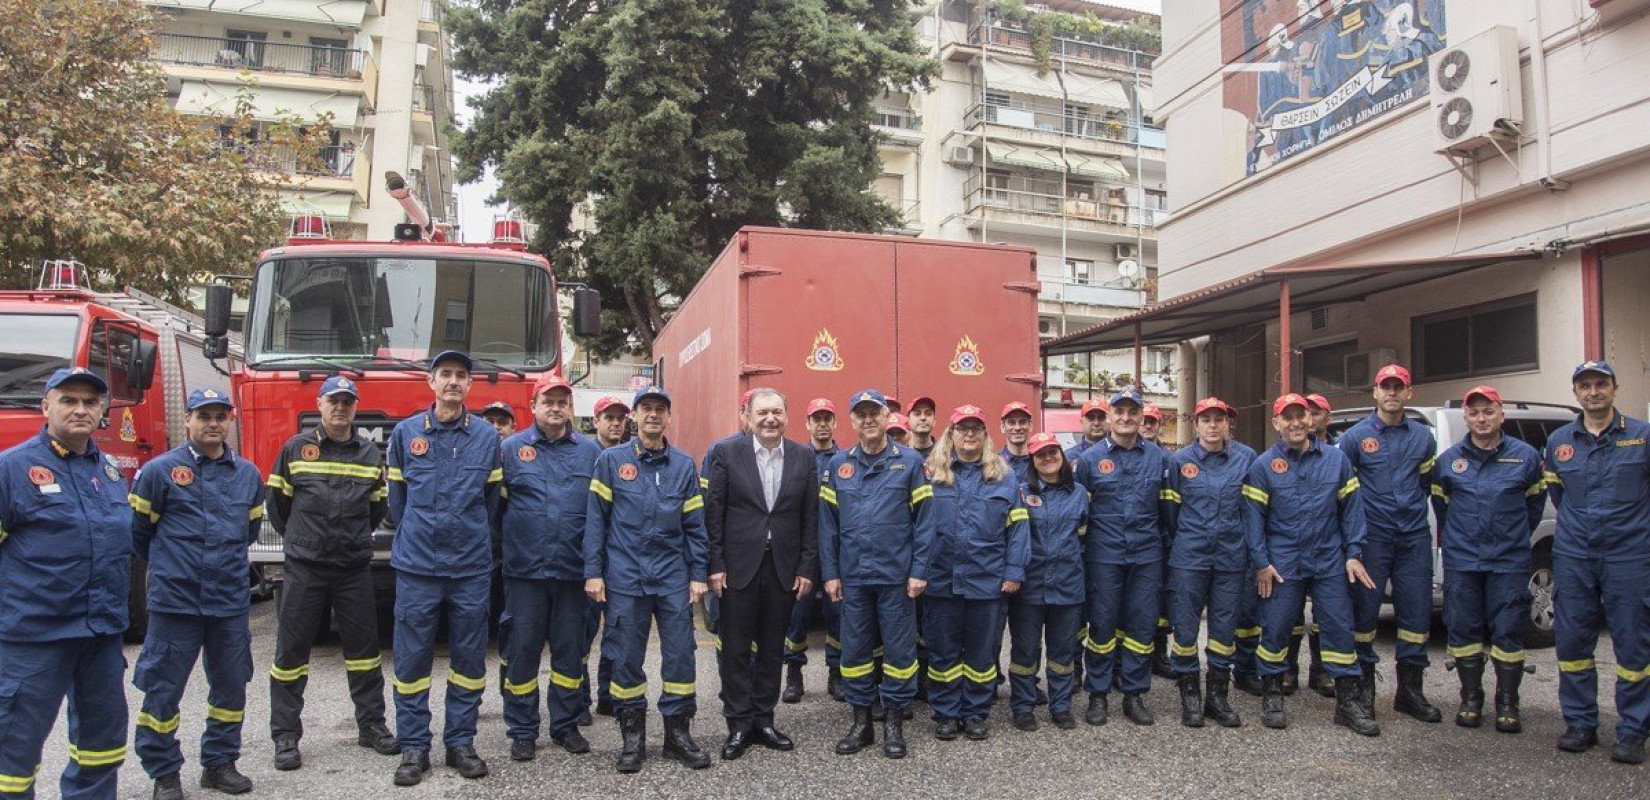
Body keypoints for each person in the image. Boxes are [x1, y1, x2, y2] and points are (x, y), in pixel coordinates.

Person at [0, 368, 132, 800]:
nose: (80, 409)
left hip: (101, 633)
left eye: (90, 402)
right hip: (35, 636)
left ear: (102, 411)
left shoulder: (110, 472)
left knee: (102, 745)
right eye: (68, 400)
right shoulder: (12, 469)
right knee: (12, 751)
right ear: (46, 407)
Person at [130, 388, 266, 798]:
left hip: (227, 601)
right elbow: (139, 537)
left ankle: (220, 763)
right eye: (203, 415)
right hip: (176, 602)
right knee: (163, 689)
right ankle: (164, 772)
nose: (212, 423)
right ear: (187, 420)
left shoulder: (247, 475)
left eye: (220, 416)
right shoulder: (159, 472)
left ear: (230, 421)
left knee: (230, 687)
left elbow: (250, 532)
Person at [267, 376, 398, 772]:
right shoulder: (295, 449)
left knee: (363, 652)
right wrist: (304, 542)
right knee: (291, 654)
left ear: (355, 408)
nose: (341, 408)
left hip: (353, 568)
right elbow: (278, 507)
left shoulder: (369, 455)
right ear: (320, 405)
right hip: (306, 567)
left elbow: (376, 508)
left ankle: (371, 725)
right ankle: (286, 735)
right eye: (334, 401)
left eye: (348, 402)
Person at [385, 351, 502, 786]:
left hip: (469, 567)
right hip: (417, 566)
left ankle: (461, 742)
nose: (453, 382)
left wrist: (472, 540)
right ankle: (414, 746)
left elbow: (491, 505)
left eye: (461, 376)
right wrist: (418, 534)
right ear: (431, 382)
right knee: (412, 660)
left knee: (469, 659)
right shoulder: (406, 433)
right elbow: (397, 503)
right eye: (445, 375)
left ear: (469, 386)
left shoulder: (486, 438)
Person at [584, 387, 711, 773]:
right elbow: (596, 522)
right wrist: (593, 572)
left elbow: (695, 526)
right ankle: (632, 738)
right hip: (626, 577)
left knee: (681, 657)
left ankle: (677, 734)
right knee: (626, 659)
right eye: (646, 409)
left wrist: (699, 574)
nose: (653, 415)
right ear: (634, 417)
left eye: (660, 409)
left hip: (672, 577)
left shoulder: (684, 465)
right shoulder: (610, 461)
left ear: (669, 418)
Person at [1244, 393, 1378, 736]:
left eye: (1300, 415)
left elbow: (1351, 510)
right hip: (1282, 563)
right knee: (1275, 628)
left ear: (1310, 419)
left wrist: (1353, 553)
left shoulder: (1336, 461)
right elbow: (1253, 519)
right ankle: (1272, 696)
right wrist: (1260, 562)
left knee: (1338, 627)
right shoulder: (1262, 466)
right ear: (1276, 423)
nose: (1294, 422)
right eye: (1286, 417)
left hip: (1329, 560)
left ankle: (1347, 703)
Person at [1543, 360, 1650, 764]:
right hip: (1574, 554)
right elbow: (1558, 495)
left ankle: (1634, 729)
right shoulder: (1558, 442)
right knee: (1571, 641)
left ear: (1614, 389)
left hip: (1629, 555)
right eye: (1584, 385)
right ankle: (1580, 723)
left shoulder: (1642, 437)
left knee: (1633, 643)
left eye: (1600, 384)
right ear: (1575, 394)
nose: (1593, 392)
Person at [819, 389, 935, 759]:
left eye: (875, 413)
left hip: (896, 579)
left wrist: (919, 571)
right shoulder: (838, 466)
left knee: (900, 653)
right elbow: (828, 527)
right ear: (851, 421)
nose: (868, 420)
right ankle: (861, 724)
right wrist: (831, 573)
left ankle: (894, 726)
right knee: (853, 652)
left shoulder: (911, 462)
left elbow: (926, 523)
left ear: (887, 418)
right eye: (861, 414)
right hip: (853, 578)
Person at [705, 389, 819, 760]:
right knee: (736, 650)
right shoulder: (725, 453)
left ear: (787, 416)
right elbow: (714, 513)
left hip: (782, 567)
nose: (770, 419)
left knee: (773, 648)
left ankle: (764, 720)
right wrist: (715, 565)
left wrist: (805, 566)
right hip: (737, 567)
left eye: (777, 412)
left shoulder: (804, 456)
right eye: (762, 413)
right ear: (746, 417)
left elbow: (810, 518)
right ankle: (738, 724)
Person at [495, 376, 602, 762]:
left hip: (573, 574)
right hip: (525, 574)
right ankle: (523, 731)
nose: (555, 408)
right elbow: (495, 509)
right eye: (548, 401)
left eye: (562, 401)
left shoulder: (591, 453)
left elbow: (601, 516)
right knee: (522, 653)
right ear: (534, 404)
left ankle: (565, 726)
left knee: (569, 655)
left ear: (570, 407)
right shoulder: (510, 449)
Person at [1429, 385, 1544, 733]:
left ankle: (1508, 704)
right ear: (1466, 417)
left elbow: (1534, 507)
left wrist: (1511, 537)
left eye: (1488, 411)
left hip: (1508, 561)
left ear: (1501, 414)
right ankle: (1471, 700)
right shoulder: (1448, 461)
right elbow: (1442, 506)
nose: (1482, 418)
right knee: (1463, 629)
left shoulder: (1526, 457)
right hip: (1463, 560)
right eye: (1475, 412)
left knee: (1508, 630)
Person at [1338, 364, 1441, 724]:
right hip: (1372, 538)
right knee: (1364, 615)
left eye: (1399, 387)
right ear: (1376, 393)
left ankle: (1410, 691)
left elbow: (1427, 483)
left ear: (1409, 392)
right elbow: (1344, 494)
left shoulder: (1423, 438)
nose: (1393, 393)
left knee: (1415, 613)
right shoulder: (1354, 438)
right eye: (1386, 387)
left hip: (1413, 537)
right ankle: (1364, 690)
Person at [920, 406, 1029, 741]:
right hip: (940, 580)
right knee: (943, 654)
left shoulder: (1005, 476)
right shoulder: (931, 473)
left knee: (982, 655)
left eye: (976, 428)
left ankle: (976, 713)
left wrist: (1013, 571)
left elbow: (1019, 529)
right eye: (962, 428)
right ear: (950, 433)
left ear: (985, 434)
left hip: (988, 581)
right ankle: (946, 714)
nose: (969, 434)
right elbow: (915, 526)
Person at [1073, 389, 1168, 727]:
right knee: (1101, 626)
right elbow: (1079, 514)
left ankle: (1134, 694)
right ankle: (1097, 695)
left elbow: (1168, 512)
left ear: (1142, 417)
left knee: (1142, 626)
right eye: (1120, 412)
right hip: (1104, 555)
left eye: (1132, 412)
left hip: (1146, 556)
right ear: (1109, 417)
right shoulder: (1088, 460)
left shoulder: (1160, 458)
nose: (1126, 418)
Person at [1161, 397, 1255, 728]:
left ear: (1229, 424)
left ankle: (1218, 696)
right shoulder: (1179, 461)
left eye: (1219, 419)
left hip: (1231, 558)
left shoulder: (1246, 460)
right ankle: (1190, 696)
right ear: (1196, 424)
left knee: (1223, 630)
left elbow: (1251, 512)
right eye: (1206, 419)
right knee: (1185, 628)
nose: (1213, 425)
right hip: (1190, 557)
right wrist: (1189, 540)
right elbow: (1171, 514)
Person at [1007, 433, 1086, 732]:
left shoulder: (1079, 493)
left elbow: (1086, 536)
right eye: (1041, 453)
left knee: (1062, 652)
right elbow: (1014, 537)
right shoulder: (1020, 493)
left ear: (1062, 457)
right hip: (1030, 586)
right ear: (1032, 460)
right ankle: (1024, 707)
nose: (1048, 458)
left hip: (1067, 585)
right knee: (1025, 652)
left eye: (1053, 452)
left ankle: (1061, 707)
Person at [783, 399, 844, 704]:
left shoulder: (846, 460)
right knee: (797, 616)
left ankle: (836, 674)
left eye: (827, 418)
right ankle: (794, 675)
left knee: (837, 615)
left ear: (835, 424)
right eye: (815, 418)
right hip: (802, 553)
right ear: (806, 424)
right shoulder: (795, 458)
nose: (821, 423)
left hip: (836, 550)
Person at [584, 396, 631, 718]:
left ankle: (608, 695)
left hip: (621, 563)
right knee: (582, 633)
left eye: (620, 417)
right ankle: (577, 700)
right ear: (595, 421)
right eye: (608, 417)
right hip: (589, 559)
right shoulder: (582, 455)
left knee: (616, 632)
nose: (615, 423)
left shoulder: (631, 458)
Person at [999, 402, 1035, 481]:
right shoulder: (995, 462)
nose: (1017, 427)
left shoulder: (1038, 461)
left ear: (1030, 426)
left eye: (1022, 422)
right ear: (1002, 427)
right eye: (1011, 422)